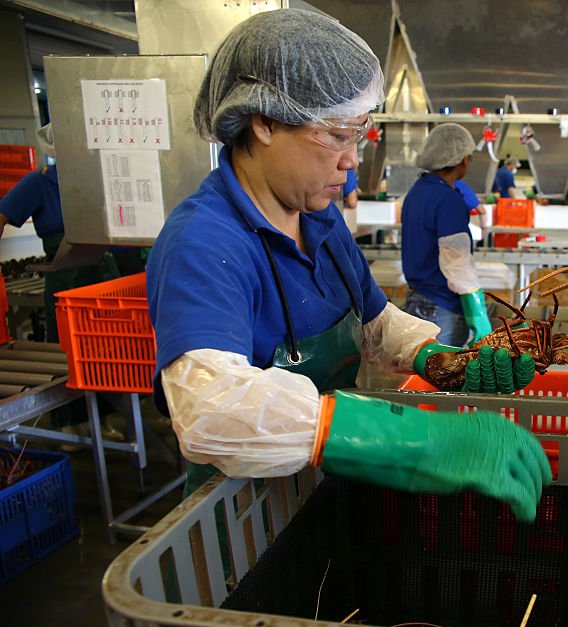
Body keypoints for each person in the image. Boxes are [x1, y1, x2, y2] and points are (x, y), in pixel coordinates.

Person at [146, 9, 547, 520]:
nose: (353, 160)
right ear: (264, 120)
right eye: (337, 134)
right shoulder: (203, 243)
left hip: (323, 494)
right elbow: (212, 412)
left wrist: (436, 357)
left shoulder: (321, 219)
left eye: (359, 135)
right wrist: (406, 437)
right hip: (244, 521)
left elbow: (374, 319)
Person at [0, 124, 122, 441]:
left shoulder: (97, 181)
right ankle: (70, 425)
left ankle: (106, 421)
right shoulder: (37, 183)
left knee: (107, 352)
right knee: (69, 354)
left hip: (102, 275)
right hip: (65, 278)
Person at [401, 124, 494, 346]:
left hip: (417, 300)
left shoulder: (417, 192)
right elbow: (456, 261)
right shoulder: (448, 199)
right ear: (462, 159)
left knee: (421, 376)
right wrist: (477, 311)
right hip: (440, 306)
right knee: (445, 377)